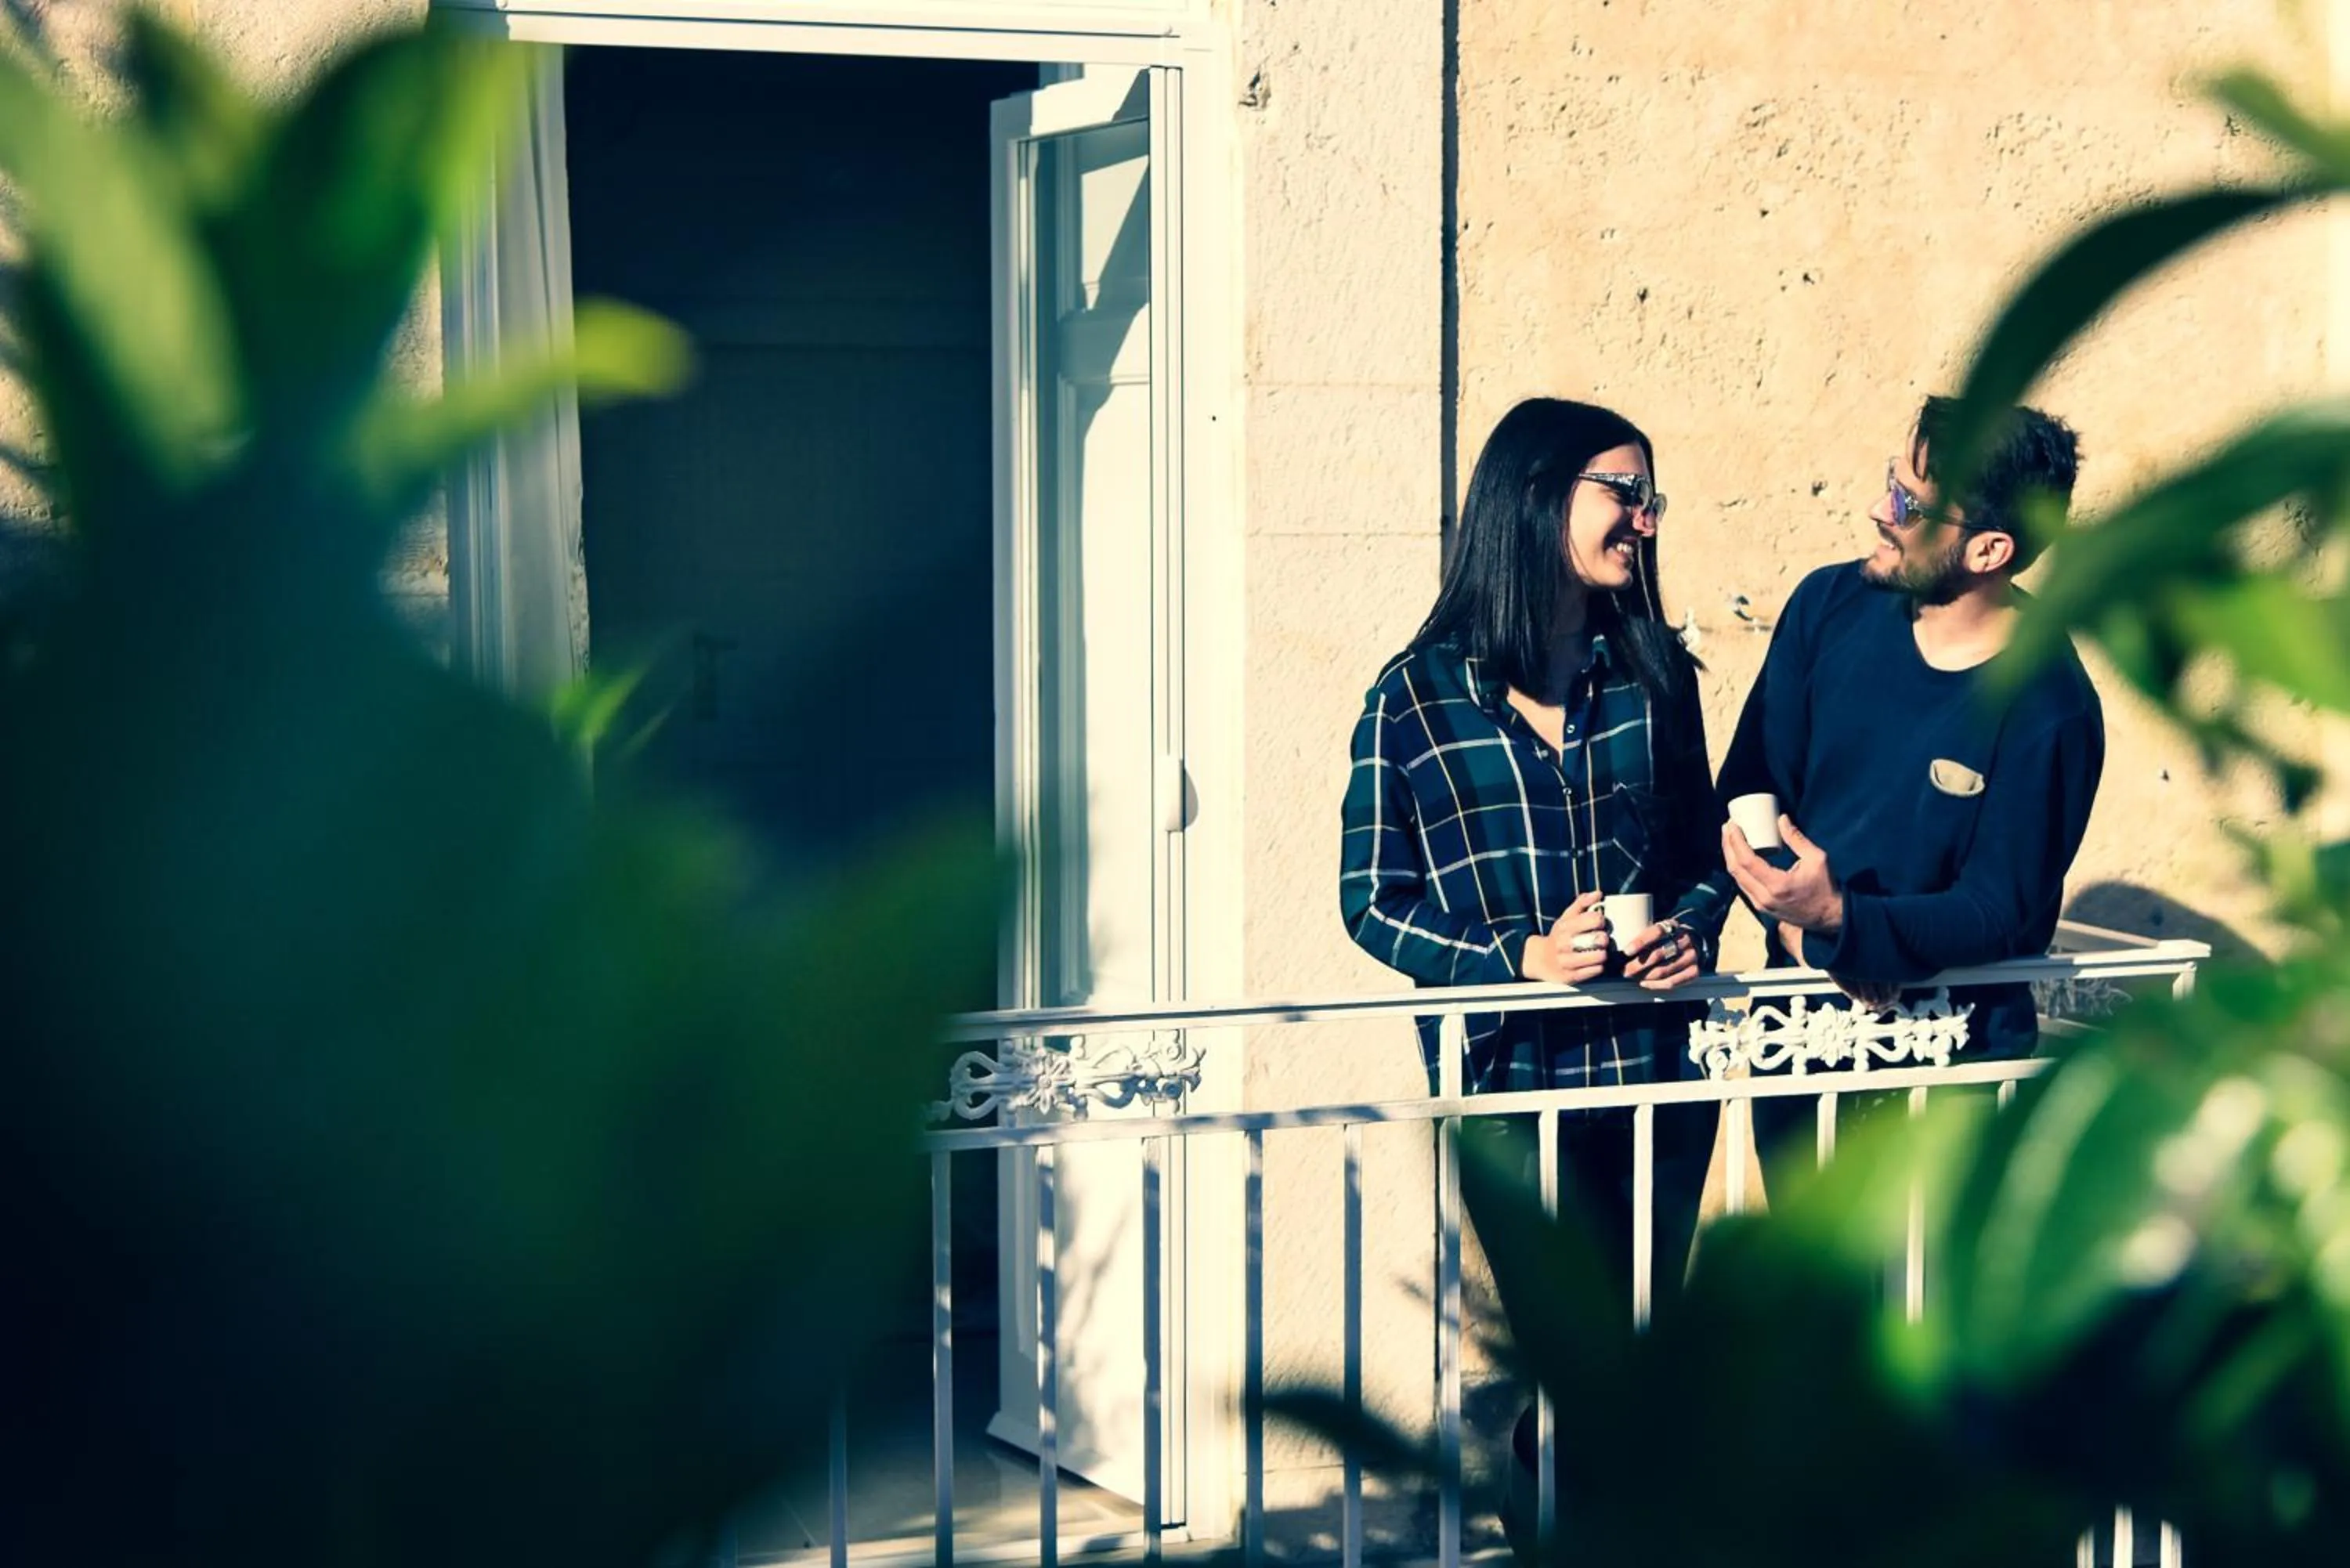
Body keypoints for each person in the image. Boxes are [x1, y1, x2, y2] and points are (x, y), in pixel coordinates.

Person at [1339, 396, 1732, 1266]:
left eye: (1651, 499)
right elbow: (1371, 902)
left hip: (1658, 1069)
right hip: (1510, 1084)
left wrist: (1689, 928)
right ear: (1538, 492)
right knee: (1573, 1366)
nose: (1644, 519)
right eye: (1626, 491)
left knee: (1641, 1347)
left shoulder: (1654, 674)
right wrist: (1522, 955)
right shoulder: (1413, 700)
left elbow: (1708, 853)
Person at [1716, 394, 2099, 1069]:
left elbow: (1996, 908)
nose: (1878, 510)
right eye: (1894, 483)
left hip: (1957, 1066)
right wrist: (1804, 930)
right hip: (1798, 1039)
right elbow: (1752, 788)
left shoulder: (2048, 701)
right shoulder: (1826, 606)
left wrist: (1847, 925)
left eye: (1910, 506)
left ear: (1988, 549)